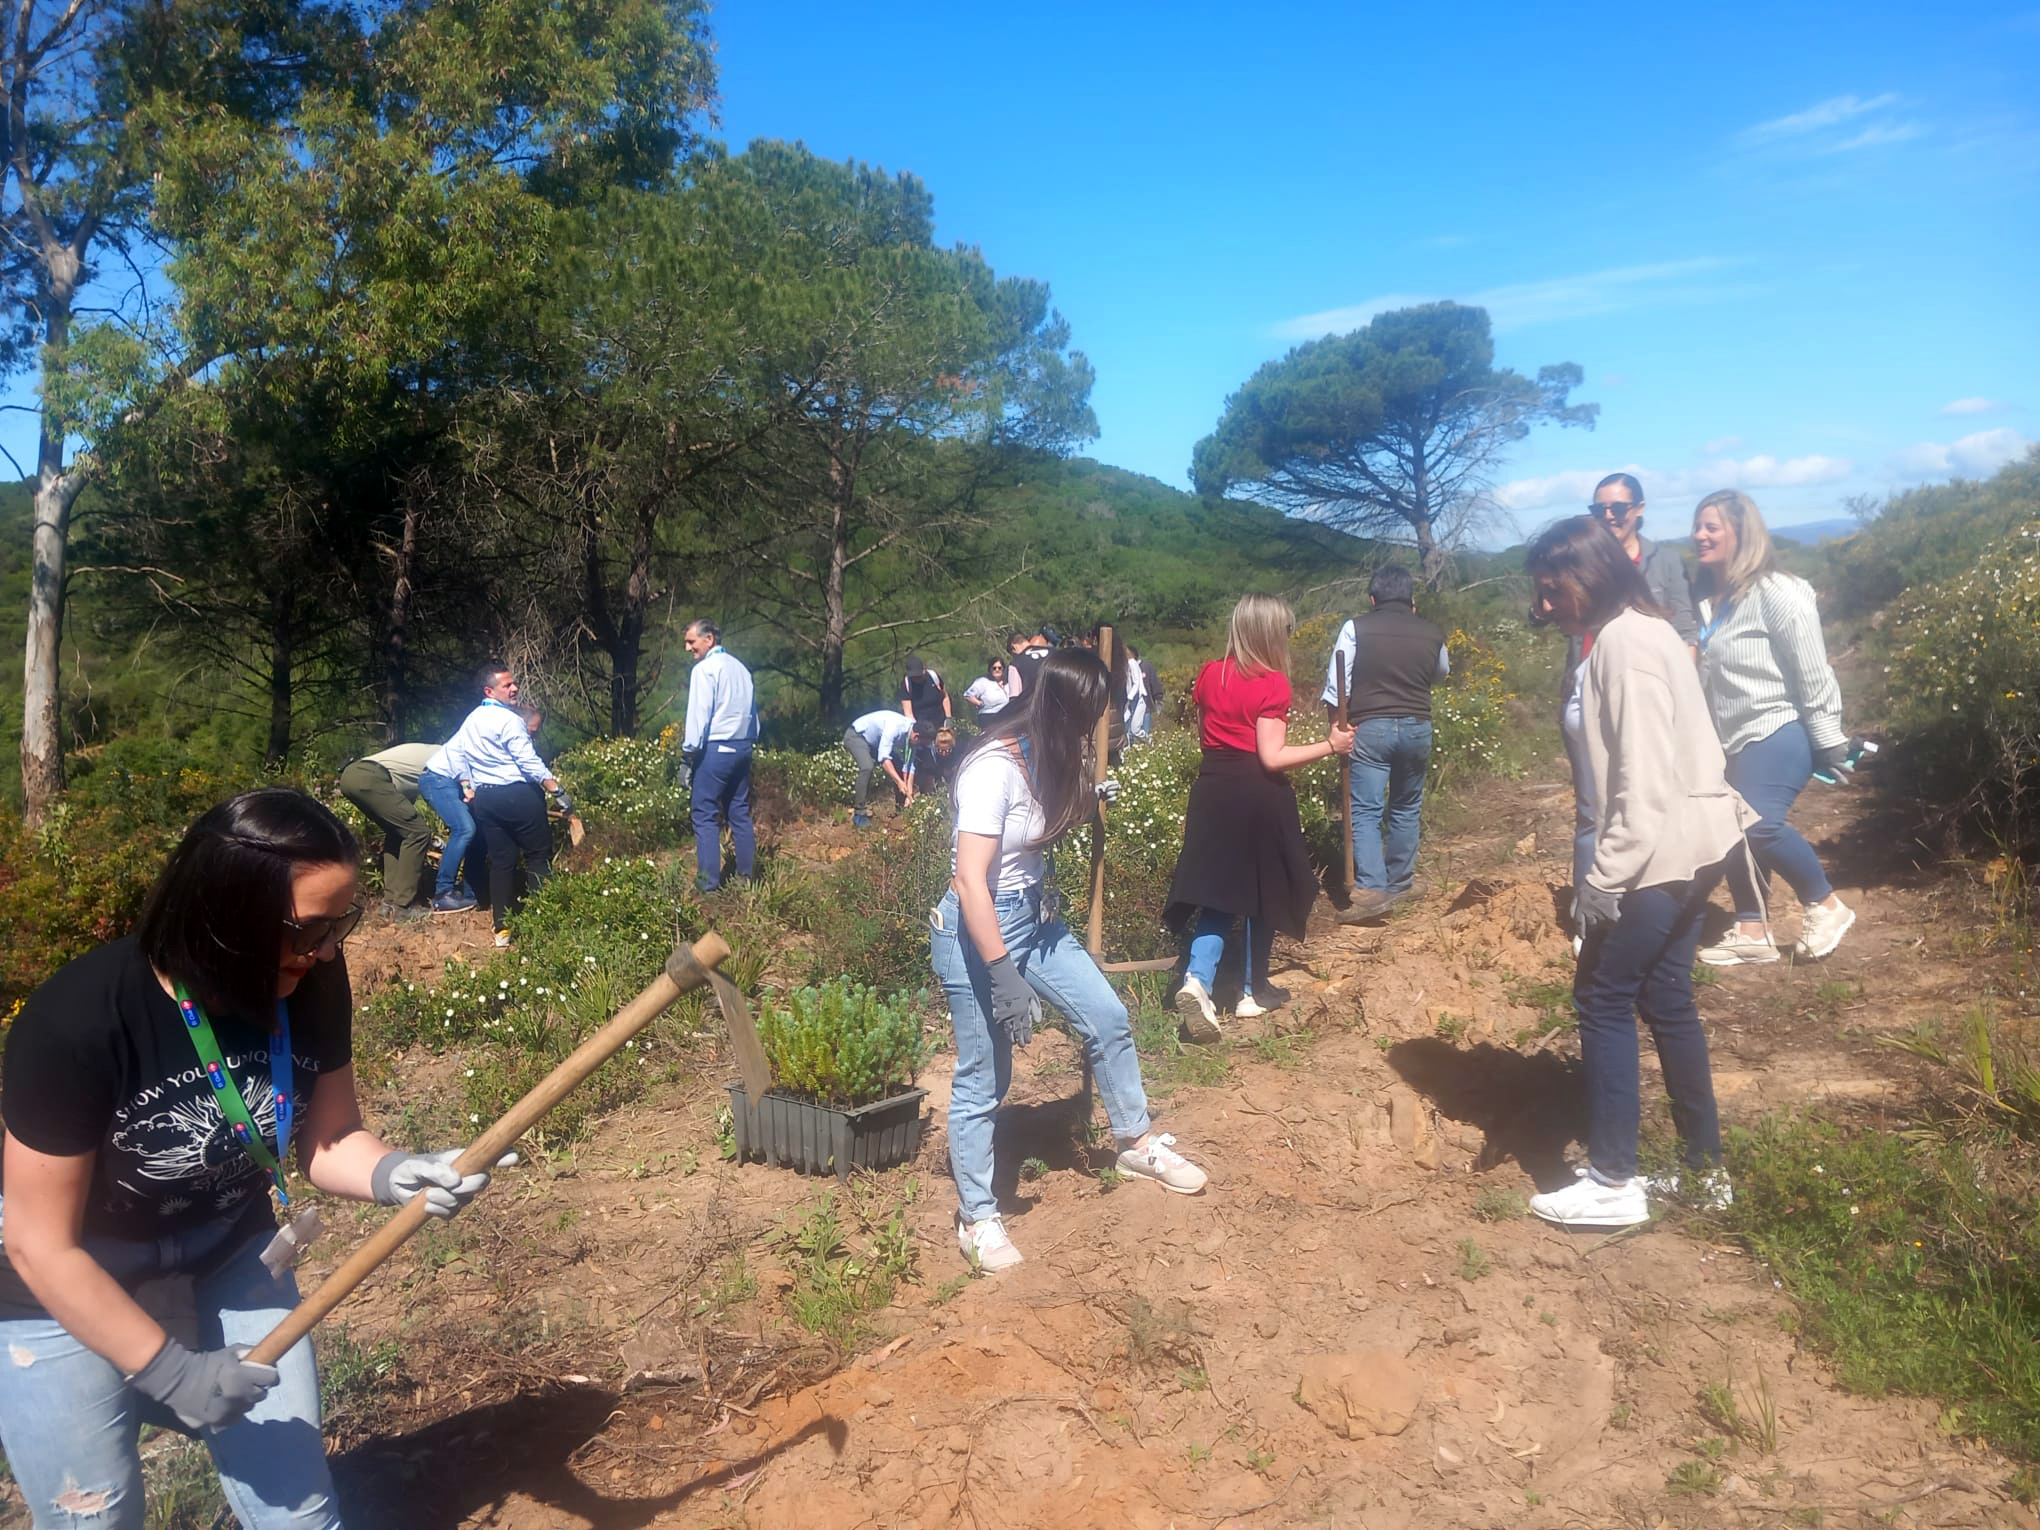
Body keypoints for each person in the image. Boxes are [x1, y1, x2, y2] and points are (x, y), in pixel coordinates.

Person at [0, 789, 504, 1526]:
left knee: (300, 1510)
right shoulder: (77, 1021)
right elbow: (38, 1243)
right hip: (64, 1284)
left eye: (343, 924)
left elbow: (328, 1142)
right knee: (93, 1516)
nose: (330, 950)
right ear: (224, 920)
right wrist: (169, 1370)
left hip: (230, 1256)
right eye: (311, 929)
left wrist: (398, 1172)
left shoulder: (314, 980)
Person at [932, 649, 1208, 1272]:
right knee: (985, 1079)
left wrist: (1089, 796)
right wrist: (1002, 974)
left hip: (1036, 918)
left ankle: (1135, 1143)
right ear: (1062, 713)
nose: (1093, 733)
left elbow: (1046, 823)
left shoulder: (1051, 754)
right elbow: (972, 880)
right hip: (979, 928)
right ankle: (977, 1216)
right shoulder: (991, 770)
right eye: (1088, 720)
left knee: (1108, 1018)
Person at [1522, 518, 1753, 1227]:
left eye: (1552, 589)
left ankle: (1615, 1180)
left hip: (1661, 853)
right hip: (1695, 842)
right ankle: (1703, 1169)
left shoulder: (1624, 644)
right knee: (1667, 996)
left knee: (1602, 994)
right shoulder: (1644, 630)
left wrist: (1603, 879)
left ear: (1585, 578)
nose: (1544, 604)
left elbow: (1643, 784)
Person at [1165, 595, 1355, 1039]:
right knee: (1265, 889)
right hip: (1257, 793)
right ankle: (1252, 992)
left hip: (1211, 789)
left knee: (1218, 893)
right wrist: (1332, 746)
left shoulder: (1210, 674)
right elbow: (1271, 756)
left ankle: (1198, 980)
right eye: (1285, 631)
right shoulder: (1272, 683)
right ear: (1271, 633)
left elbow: (1205, 739)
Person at [1688, 490, 1856, 964]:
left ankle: (1826, 904)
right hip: (1726, 738)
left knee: (1758, 823)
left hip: (1776, 726)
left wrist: (1829, 741)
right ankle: (1752, 930)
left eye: (1711, 527)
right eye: (1697, 526)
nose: (1699, 535)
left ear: (1742, 534)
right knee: (1730, 830)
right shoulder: (1700, 598)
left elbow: (1813, 671)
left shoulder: (1777, 592)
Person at [1560, 475, 1701, 923]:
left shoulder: (1664, 562)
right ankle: (1591, 914)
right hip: (1588, 689)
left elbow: (1686, 631)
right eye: (1599, 508)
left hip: (1644, 695)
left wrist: (1679, 693)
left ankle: (1648, 904)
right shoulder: (1582, 560)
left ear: (1639, 509)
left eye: (1618, 508)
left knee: (1645, 796)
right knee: (1591, 808)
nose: (1608, 516)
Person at [1320, 565, 1449, 921]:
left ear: (1372, 599)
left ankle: (1373, 888)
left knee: (1366, 809)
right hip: (1417, 725)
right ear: (1412, 601)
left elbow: (1336, 686)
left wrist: (1337, 729)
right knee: (1406, 806)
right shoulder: (1432, 632)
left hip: (1371, 728)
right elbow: (1440, 673)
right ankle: (1401, 883)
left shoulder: (1355, 628)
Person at [441, 664, 573, 948]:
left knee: (502, 862)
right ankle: (545, 923)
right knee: (538, 856)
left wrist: (469, 786)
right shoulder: (509, 720)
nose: (514, 689)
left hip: (487, 800)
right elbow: (528, 761)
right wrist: (556, 789)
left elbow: (458, 755)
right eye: (507, 686)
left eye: (514, 684)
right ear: (489, 691)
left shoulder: (471, 720)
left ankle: (502, 929)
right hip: (518, 795)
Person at [681, 618, 759, 893]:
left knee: (704, 814)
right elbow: (753, 714)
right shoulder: (741, 668)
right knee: (739, 811)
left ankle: (708, 886)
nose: (688, 648)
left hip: (716, 749)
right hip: (743, 746)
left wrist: (688, 755)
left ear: (709, 639)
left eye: (692, 641)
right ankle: (746, 878)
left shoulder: (705, 670)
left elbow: (698, 716)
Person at [336, 741, 443, 921]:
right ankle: (404, 906)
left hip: (352, 776)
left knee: (398, 833)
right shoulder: (446, 756)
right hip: (369, 776)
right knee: (418, 833)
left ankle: (390, 903)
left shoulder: (425, 755)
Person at [843, 708, 924, 826]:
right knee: (867, 767)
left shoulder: (913, 733)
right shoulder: (894, 727)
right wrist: (900, 782)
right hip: (857, 736)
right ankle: (859, 814)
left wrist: (909, 792)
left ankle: (903, 809)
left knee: (898, 766)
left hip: (874, 743)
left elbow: (909, 765)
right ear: (916, 736)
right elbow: (884, 758)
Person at [899, 656, 951, 792]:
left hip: (940, 723)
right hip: (922, 728)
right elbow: (908, 712)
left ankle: (946, 787)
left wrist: (949, 717)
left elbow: (944, 697)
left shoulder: (933, 677)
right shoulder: (907, 684)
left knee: (944, 756)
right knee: (927, 762)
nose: (916, 679)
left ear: (924, 670)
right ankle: (928, 792)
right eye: (913, 676)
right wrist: (918, 730)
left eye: (918, 675)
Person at [1122, 643, 1152, 741]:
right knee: (1124, 727)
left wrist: (1129, 697)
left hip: (1139, 699)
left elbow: (1137, 682)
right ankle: (1126, 752)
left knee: (1135, 729)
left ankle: (1149, 741)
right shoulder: (1126, 665)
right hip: (1131, 700)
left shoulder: (1132, 663)